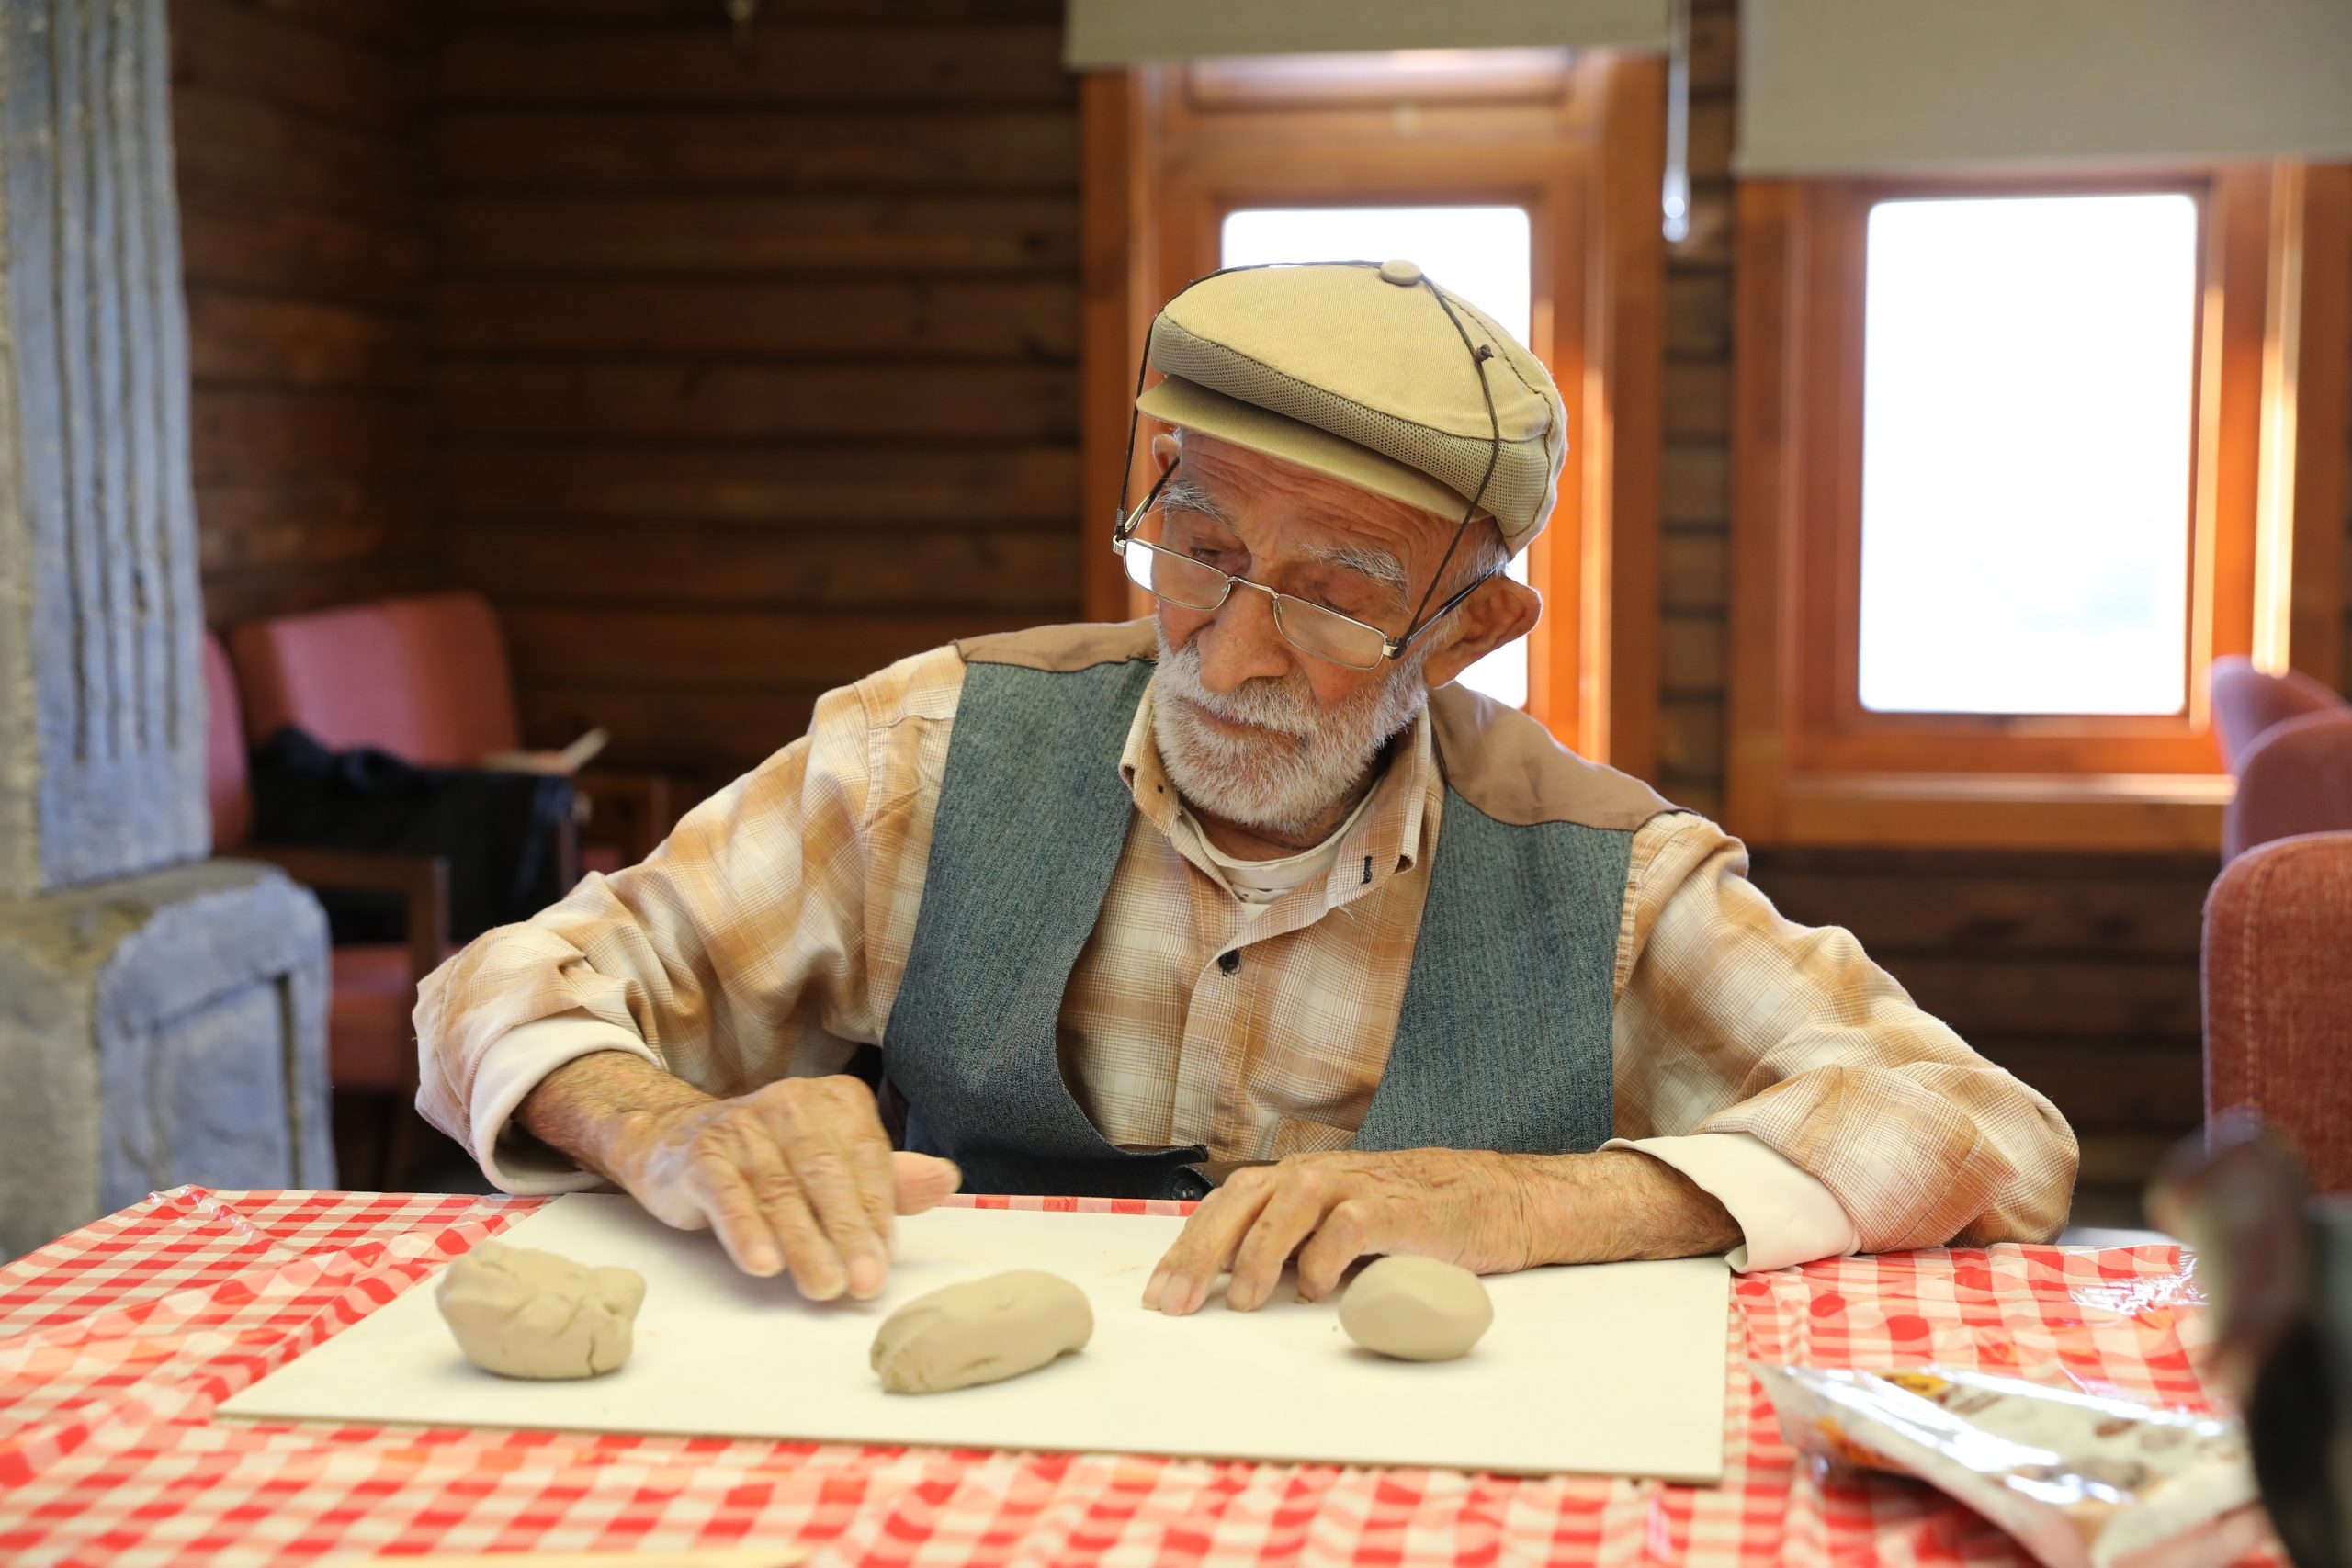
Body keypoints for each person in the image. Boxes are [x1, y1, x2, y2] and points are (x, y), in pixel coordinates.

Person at [413, 260, 2075, 1318]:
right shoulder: (929, 751)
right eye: (1200, 550)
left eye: (1341, 592)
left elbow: (1991, 1136)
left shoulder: (1603, 870)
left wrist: (1548, 1198)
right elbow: (501, 987)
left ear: (1470, 623)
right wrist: (672, 1131)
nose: (1232, 649)